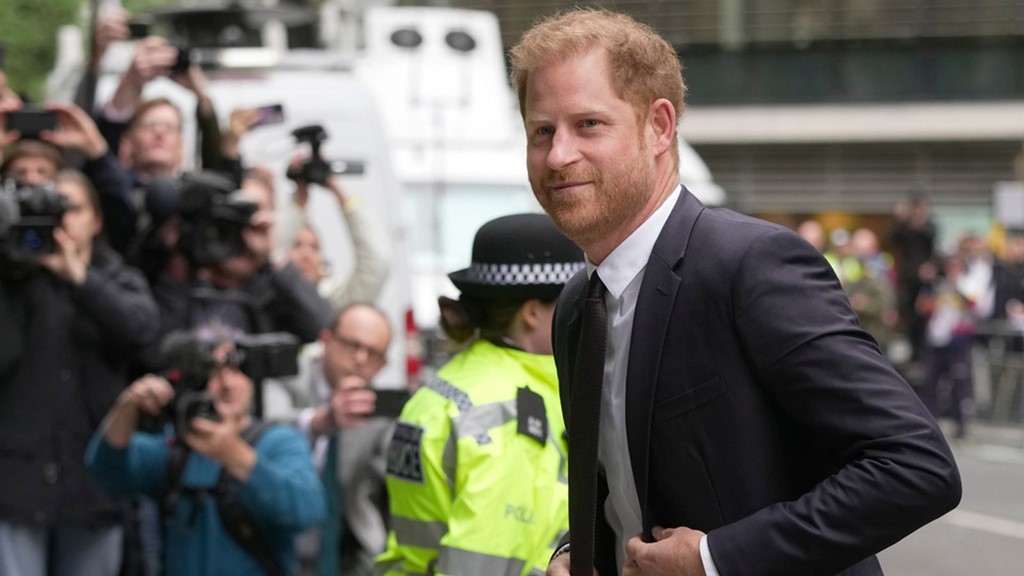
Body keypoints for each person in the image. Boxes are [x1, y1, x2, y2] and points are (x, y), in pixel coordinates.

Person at [509, 8, 961, 576]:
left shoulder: (750, 265)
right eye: (541, 131)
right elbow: (620, 482)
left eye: (589, 125)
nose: (558, 156)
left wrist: (713, 558)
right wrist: (576, 549)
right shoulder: (578, 306)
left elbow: (916, 467)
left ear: (659, 127)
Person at [376, 213, 583, 576]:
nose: (583, 315)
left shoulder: (448, 385)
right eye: (573, 303)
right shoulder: (516, 414)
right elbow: (489, 560)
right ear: (532, 313)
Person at [0, 169, 160, 576]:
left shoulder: (118, 277)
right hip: (19, 482)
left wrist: (79, 278)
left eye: (70, 208)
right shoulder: (16, 280)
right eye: (50, 209)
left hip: (94, 486)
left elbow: (142, 332)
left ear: (96, 220)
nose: (62, 220)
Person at [85, 334, 326, 576]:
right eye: (214, 372)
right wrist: (128, 405)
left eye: (237, 370)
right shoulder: (180, 447)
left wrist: (233, 453)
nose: (227, 384)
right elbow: (106, 469)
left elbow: (306, 510)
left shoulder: (278, 440)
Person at [263, 303, 391, 576]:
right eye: (351, 345)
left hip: (344, 553)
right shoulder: (286, 377)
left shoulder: (379, 411)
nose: (359, 359)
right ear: (326, 340)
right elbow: (263, 431)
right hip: (272, 543)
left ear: (383, 365)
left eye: (373, 353)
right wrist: (320, 422)